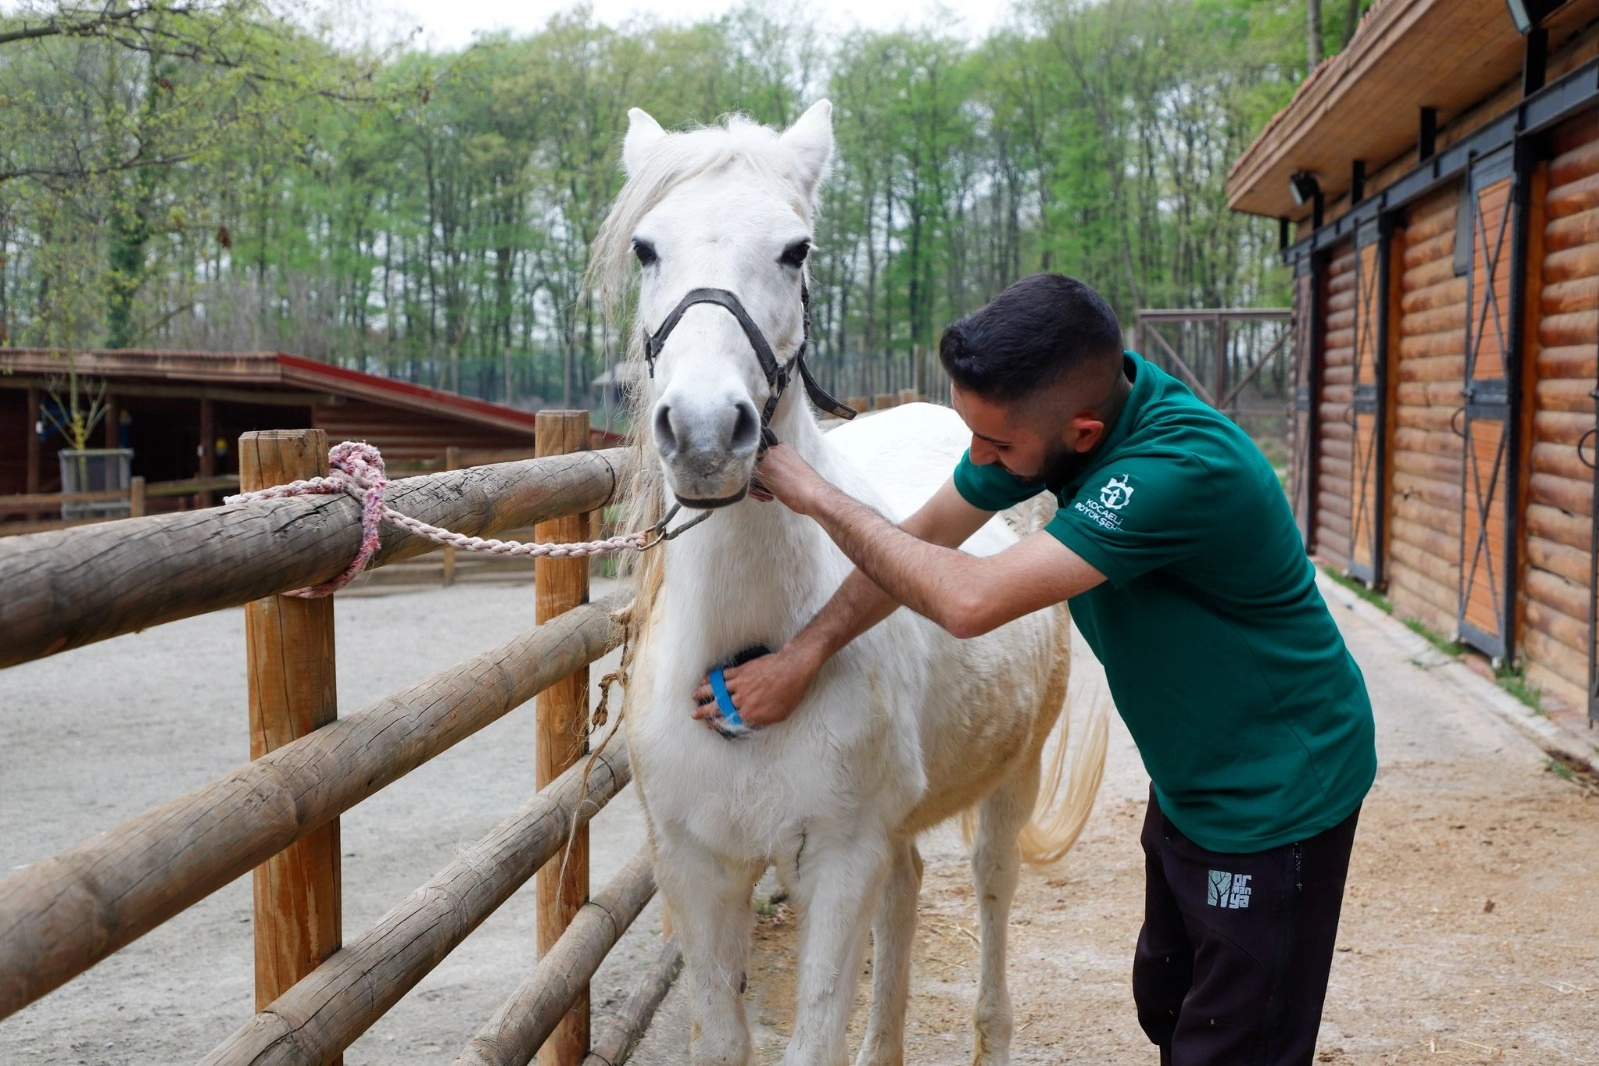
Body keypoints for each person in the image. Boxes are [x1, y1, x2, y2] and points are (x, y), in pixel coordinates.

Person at [690, 273, 1376, 1065]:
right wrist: (803, 656)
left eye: (993, 446)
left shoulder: (1178, 469)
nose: (978, 461)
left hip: (1277, 794)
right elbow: (920, 541)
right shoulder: (1038, 431)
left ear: (1082, 434)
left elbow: (968, 599)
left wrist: (818, 496)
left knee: (1231, 1044)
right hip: (1194, 782)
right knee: (1170, 1001)